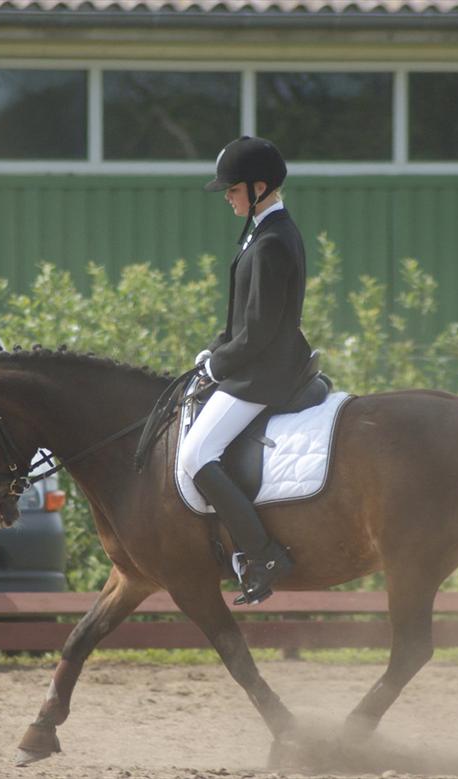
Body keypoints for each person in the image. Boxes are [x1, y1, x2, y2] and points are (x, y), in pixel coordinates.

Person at [177, 135, 314, 606]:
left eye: (233, 190)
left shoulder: (274, 239)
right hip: (251, 363)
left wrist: (219, 364)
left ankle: (261, 553)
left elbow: (258, 331)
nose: (228, 198)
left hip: (264, 373)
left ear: (260, 187)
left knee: (196, 454)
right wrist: (211, 352)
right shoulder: (261, 229)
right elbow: (240, 320)